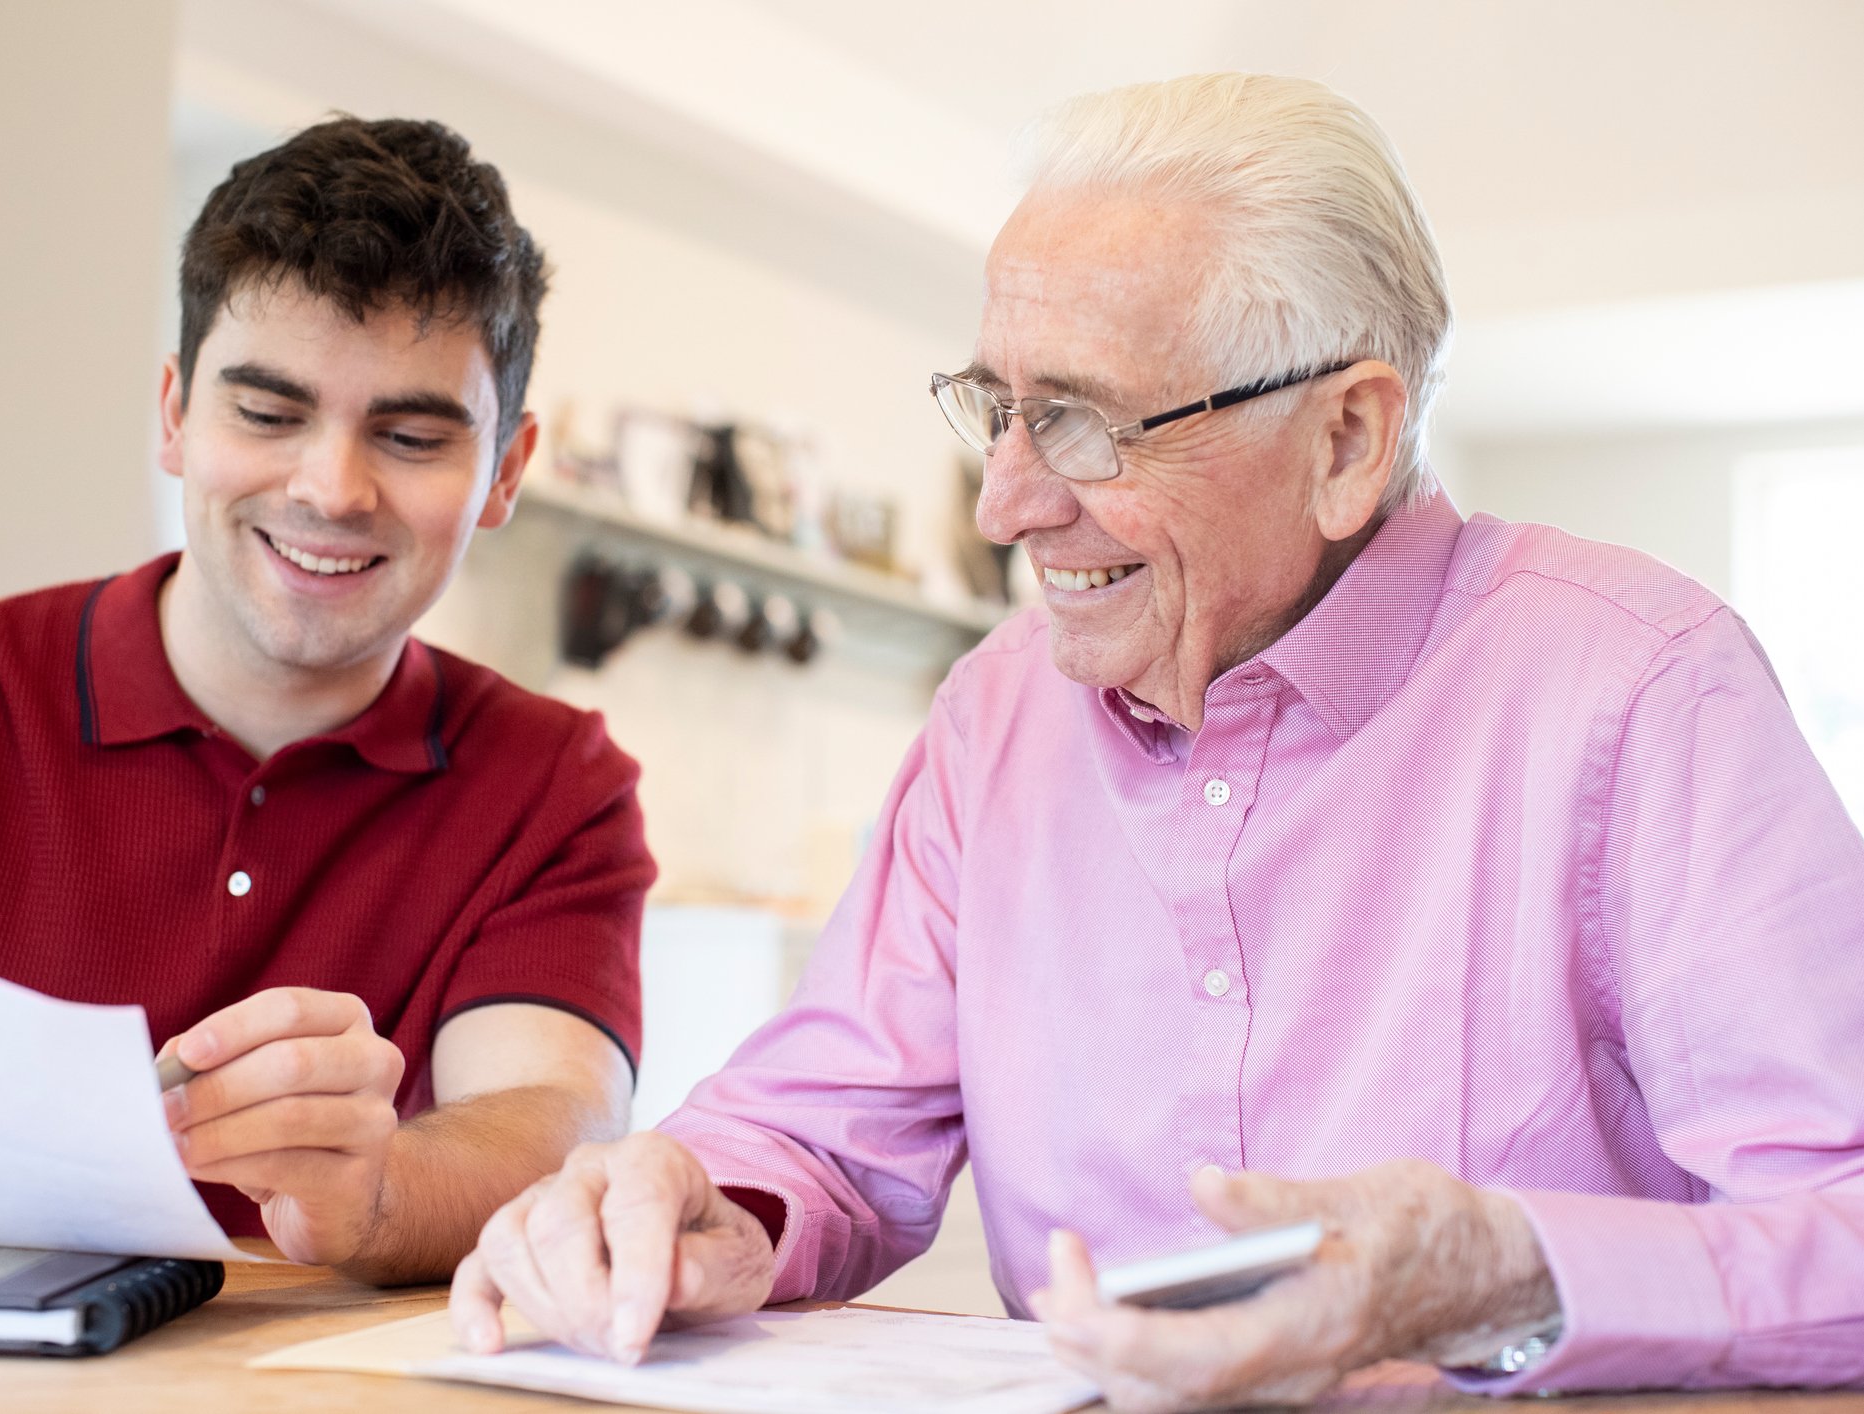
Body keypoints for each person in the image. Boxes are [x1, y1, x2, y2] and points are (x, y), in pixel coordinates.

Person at [447, 73, 1864, 1402]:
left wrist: (1504, 1276)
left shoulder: (1646, 690)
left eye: (1076, 422)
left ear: (1346, 441)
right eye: (996, 408)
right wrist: (699, 1201)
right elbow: (816, 1130)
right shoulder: (995, 712)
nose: (1003, 503)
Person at [0, 116, 655, 1286]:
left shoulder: (554, 785)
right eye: (268, 414)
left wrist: (376, 1191)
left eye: (413, 434)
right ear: (175, 416)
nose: (331, 487)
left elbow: (549, 1112)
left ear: (507, 472)